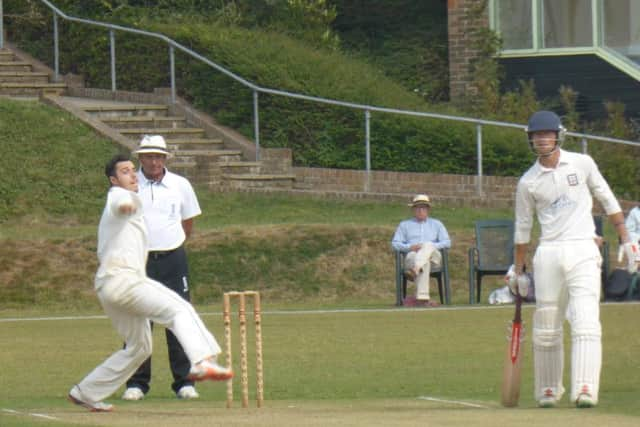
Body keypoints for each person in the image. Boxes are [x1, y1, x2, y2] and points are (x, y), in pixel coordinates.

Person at [68, 154, 232, 412]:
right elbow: (120, 203)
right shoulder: (119, 197)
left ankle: (86, 391)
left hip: (108, 287)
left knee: (139, 346)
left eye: (133, 171)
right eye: (125, 172)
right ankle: (202, 361)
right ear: (113, 180)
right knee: (179, 308)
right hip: (125, 282)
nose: (132, 175)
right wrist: (127, 205)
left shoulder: (129, 198)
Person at [510, 110, 639, 409]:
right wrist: (517, 269)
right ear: (530, 139)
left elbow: (607, 198)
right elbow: (523, 227)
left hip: (583, 248)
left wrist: (626, 237)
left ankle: (585, 388)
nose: (541, 139)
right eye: (536, 135)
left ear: (558, 135)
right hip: (549, 251)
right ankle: (548, 389)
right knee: (546, 322)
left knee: (585, 320)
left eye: (546, 133)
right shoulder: (527, 182)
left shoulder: (582, 163)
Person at [122, 135, 203, 401]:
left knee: (178, 320)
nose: (154, 161)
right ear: (140, 159)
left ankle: (184, 383)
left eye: (158, 156)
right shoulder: (129, 187)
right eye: (148, 156)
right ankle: (136, 383)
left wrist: (172, 244)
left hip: (173, 259)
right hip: (139, 261)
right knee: (138, 321)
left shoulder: (180, 185)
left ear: (165, 158)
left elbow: (187, 222)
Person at [391, 194, 451, 306]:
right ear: (413, 209)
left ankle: (416, 269)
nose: (420, 210)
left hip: (434, 258)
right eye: (418, 207)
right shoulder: (404, 225)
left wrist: (429, 246)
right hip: (413, 257)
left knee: (427, 245)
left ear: (428, 209)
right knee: (423, 262)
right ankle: (423, 299)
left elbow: (447, 242)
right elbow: (395, 244)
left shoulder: (437, 224)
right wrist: (410, 247)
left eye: (423, 207)